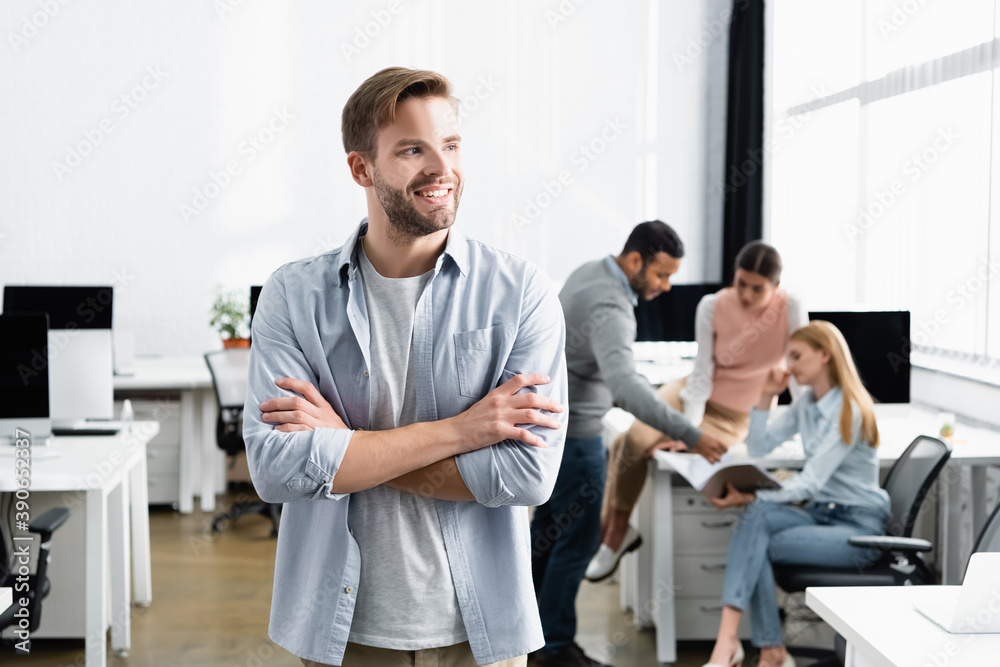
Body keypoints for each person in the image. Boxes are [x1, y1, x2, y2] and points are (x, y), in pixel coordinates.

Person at [243, 67, 568, 667]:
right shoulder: (293, 295)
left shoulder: (521, 293)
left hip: (481, 632)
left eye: (449, 145)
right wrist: (464, 431)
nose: (441, 169)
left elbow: (526, 477)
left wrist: (344, 448)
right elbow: (277, 470)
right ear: (361, 169)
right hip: (341, 632)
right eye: (412, 150)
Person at [530, 221, 727, 667]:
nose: (666, 286)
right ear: (636, 261)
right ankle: (554, 648)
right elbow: (624, 385)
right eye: (661, 275)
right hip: (577, 438)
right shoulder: (612, 305)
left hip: (551, 431)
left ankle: (533, 641)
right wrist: (691, 433)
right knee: (575, 545)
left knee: (546, 536)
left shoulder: (589, 271)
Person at [587, 242, 807, 582]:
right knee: (634, 440)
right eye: (741, 283)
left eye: (757, 288)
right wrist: (688, 430)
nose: (746, 294)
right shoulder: (712, 305)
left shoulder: (791, 309)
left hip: (736, 415)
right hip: (688, 393)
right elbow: (702, 373)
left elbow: (800, 375)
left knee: (659, 455)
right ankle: (615, 536)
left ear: (775, 287)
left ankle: (608, 532)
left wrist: (811, 430)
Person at [701, 321, 890, 667]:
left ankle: (763, 650)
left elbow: (810, 483)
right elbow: (758, 446)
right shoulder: (808, 406)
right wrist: (766, 395)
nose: (790, 366)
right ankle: (739, 643)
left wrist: (749, 497)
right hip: (821, 514)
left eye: (797, 356)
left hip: (858, 529)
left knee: (755, 541)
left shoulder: (851, 409)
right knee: (755, 520)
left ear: (825, 355)